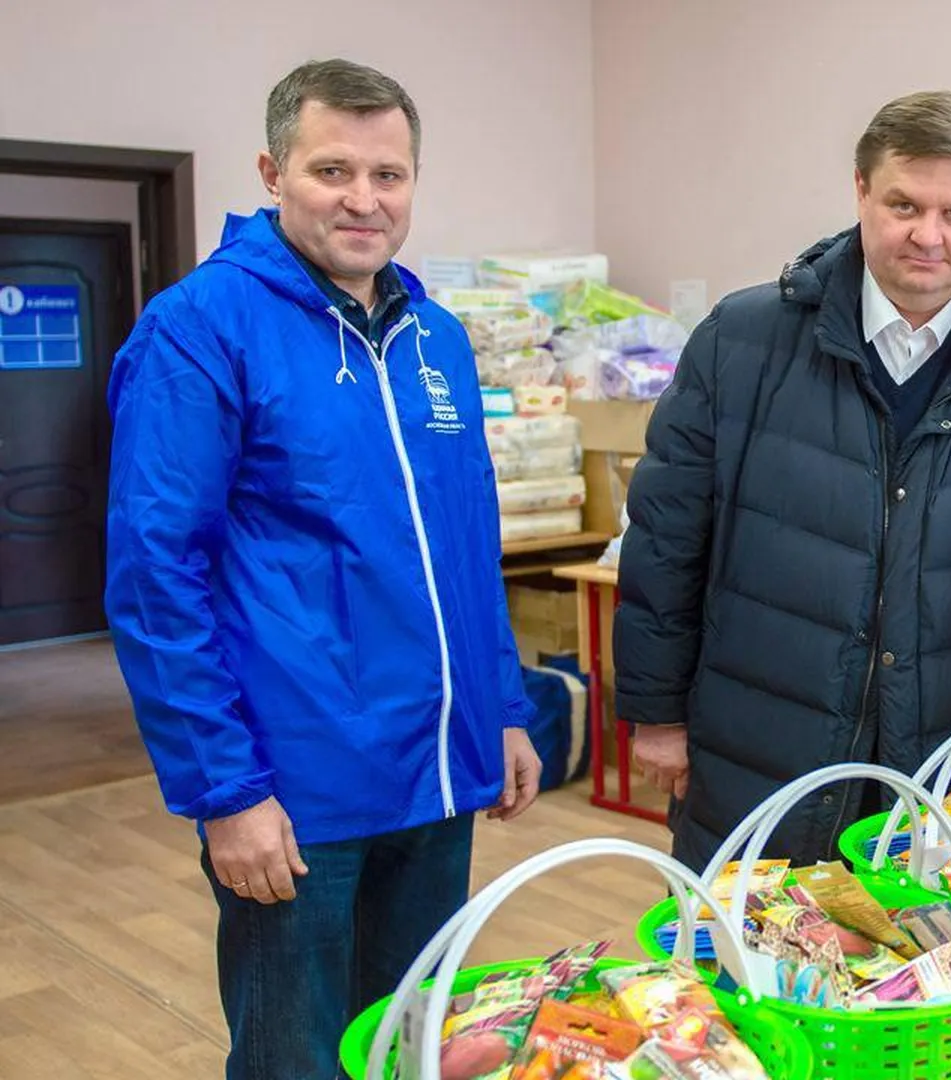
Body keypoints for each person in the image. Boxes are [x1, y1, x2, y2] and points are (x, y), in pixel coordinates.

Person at [104, 59, 542, 1078]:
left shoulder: (436, 339)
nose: (363, 199)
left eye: (388, 175)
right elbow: (155, 577)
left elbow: (466, 548)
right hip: (296, 791)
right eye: (331, 170)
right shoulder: (199, 329)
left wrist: (505, 707)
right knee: (296, 1058)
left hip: (436, 773)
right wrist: (224, 792)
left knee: (409, 1045)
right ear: (272, 171)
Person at [616, 91, 951, 871]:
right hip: (763, 759)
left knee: (941, 982)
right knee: (745, 980)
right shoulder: (740, 346)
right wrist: (656, 713)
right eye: (904, 204)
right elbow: (667, 540)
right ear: (860, 191)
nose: (928, 236)